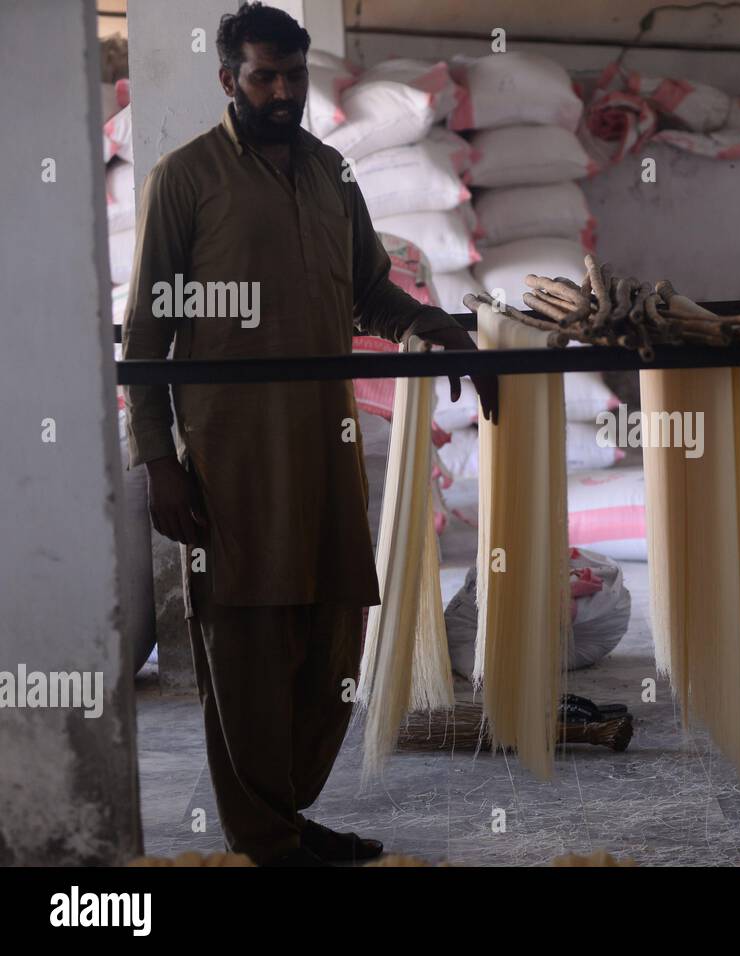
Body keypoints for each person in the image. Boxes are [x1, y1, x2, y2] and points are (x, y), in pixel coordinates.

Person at [122, 2, 496, 865]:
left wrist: (435, 328)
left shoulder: (333, 173)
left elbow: (372, 291)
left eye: (293, 75)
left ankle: (289, 813)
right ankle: (264, 835)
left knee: (333, 629)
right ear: (230, 80)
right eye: (265, 77)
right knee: (247, 641)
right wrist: (159, 464)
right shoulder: (185, 180)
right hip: (231, 455)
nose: (283, 91)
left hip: (326, 447)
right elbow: (146, 334)